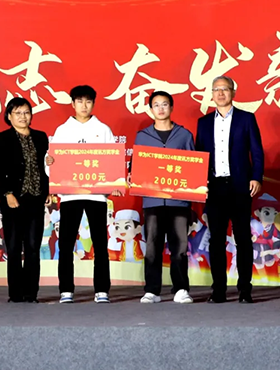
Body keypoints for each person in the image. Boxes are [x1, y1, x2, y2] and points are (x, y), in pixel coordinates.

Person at [46, 85, 122, 304]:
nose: (84, 105)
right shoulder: (63, 130)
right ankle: (66, 290)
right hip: (70, 195)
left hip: (96, 195)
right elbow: (52, 163)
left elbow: (112, 161)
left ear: (93, 104)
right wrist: (49, 162)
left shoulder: (103, 130)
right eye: (79, 101)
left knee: (100, 243)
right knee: (66, 244)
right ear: (72, 104)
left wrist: (115, 182)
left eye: (88, 101)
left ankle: (102, 290)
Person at [195, 76, 264, 304]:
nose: (220, 93)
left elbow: (257, 151)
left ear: (233, 92)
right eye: (216, 89)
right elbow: (199, 155)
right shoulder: (204, 122)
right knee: (216, 240)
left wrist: (256, 177)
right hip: (214, 187)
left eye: (225, 89)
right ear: (212, 94)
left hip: (240, 186)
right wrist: (199, 183)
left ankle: (245, 290)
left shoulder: (246, 118)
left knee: (243, 238)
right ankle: (219, 291)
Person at [132, 90, 195, 304]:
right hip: (152, 200)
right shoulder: (143, 136)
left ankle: (181, 289)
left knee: (180, 248)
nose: (160, 108)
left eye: (165, 104)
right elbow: (136, 166)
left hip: (179, 201)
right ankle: (152, 290)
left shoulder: (184, 135)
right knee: (152, 247)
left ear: (171, 107)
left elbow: (193, 167)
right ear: (151, 109)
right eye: (156, 105)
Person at [0, 97, 52, 303]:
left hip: (36, 199)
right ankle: (15, 293)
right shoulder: (3, 138)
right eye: (18, 113)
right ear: (9, 116)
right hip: (13, 200)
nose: (23, 117)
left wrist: (49, 190)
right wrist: (7, 193)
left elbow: (47, 167)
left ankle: (31, 293)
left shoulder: (41, 137)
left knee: (33, 247)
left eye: (26, 112)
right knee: (15, 247)